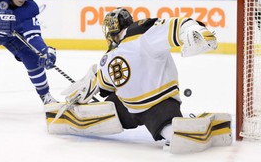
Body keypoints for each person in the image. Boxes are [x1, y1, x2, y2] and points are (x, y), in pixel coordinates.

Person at [45, 8, 232, 154]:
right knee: (109, 106)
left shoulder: (142, 33)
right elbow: (103, 83)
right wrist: (87, 87)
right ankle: (79, 117)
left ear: (112, 29)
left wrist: (193, 30)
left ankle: (187, 129)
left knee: (171, 132)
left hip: (158, 104)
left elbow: (176, 25)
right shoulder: (109, 56)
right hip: (128, 108)